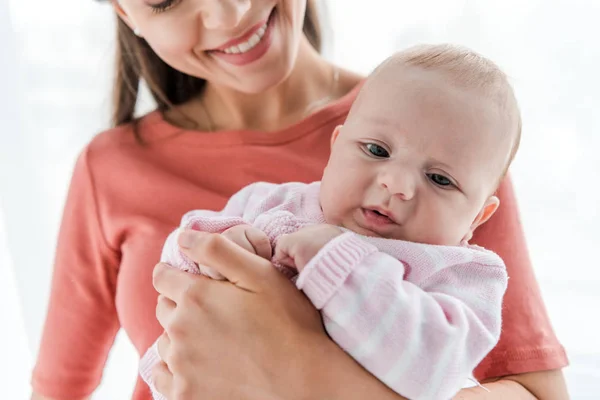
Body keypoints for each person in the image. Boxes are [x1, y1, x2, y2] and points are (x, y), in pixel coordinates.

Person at [31, 0, 569, 399]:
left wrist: (305, 373)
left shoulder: (451, 135)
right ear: (125, 10)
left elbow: (535, 392)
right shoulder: (113, 169)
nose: (229, 12)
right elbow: (59, 387)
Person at [140, 43, 519, 400]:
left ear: (477, 218)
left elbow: (432, 373)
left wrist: (341, 264)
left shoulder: (462, 275)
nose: (397, 184)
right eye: (377, 150)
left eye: (439, 179)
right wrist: (219, 249)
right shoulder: (271, 201)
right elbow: (180, 255)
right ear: (335, 146)